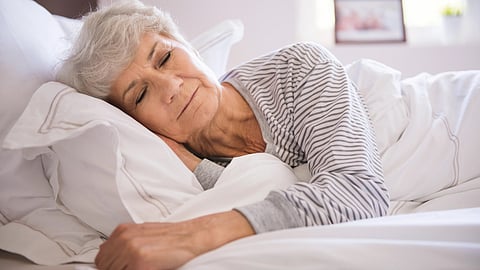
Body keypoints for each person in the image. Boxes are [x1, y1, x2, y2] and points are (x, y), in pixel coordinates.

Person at [57, 1, 389, 269]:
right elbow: (260, 186)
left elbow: (359, 192)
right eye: (140, 95)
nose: (171, 87)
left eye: (165, 58)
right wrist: (188, 161)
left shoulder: (297, 68)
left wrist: (190, 237)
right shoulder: (165, 164)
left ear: (186, 45)